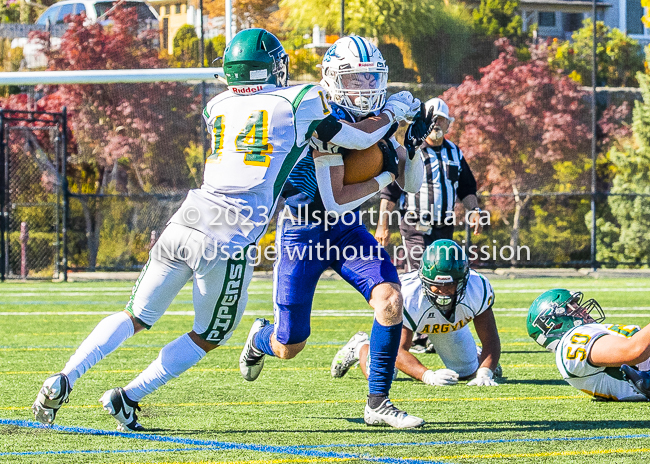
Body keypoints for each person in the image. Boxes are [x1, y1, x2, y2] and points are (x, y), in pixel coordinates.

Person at [31, 28, 419, 432]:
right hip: (227, 234)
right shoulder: (299, 100)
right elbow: (359, 135)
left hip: (188, 218)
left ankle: (64, 377)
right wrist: (392, 114)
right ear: (275, 68)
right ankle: (130, 394)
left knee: (134, 316)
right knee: (208, 334)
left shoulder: (216, 105)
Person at [239, 36, 428, 429]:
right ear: (332, 78)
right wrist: (386, 170)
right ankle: (260, 338)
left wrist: (412, 147)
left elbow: (410, 184)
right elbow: (337, 197)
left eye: (369, 77)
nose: (364, 87)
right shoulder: (319, 115)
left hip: (346, 232)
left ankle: (378, 403)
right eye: (354, 79)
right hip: (303, 231)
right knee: (290, 345)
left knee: (391, 300)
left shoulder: (378, 120)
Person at [331, 239, 501, 387]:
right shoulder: (407, 295)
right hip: (411, 320)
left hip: (449, 325)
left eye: (450, 285)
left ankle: (476, 356)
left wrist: (485, 371)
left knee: (467, 372)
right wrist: (427, 375)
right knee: (383, 373)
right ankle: (361, 346)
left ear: (463, 279)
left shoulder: (477, 287)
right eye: (437, 285)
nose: (443, 292)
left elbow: (491, 339)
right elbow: (397, 351)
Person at [375, 97, 484, 271]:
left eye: (440, 119)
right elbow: (390, 192)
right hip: (416, 228)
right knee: (420, 276)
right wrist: (382, 225)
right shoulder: (412, 151)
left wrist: (475, 211)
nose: (436, 123)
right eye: (432, 119)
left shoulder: (455, 153)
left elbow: (467, 188)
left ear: (448, 124)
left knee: (444, 276)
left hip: (444, 228)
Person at [527, 289, 650, 401]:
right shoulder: (570, 342)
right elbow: (634, 351)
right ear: (555, 324)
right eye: (572, 307)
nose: (584, 310)